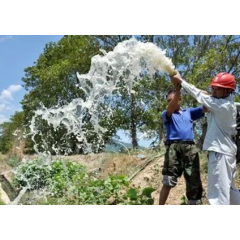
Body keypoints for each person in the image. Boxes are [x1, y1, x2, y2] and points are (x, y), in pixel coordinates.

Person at [171, 72, 240, 205]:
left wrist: (181, 81)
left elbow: (198, 95)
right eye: (213, 87)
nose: (213, 90)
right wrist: (208, 96)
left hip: (220, 154)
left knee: (218, 196)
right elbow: (206, 102)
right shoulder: (227, 105)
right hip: (227, 153)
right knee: (231, 192)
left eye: (217, 88)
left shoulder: (221, 106)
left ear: (227, 91)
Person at [159, 84, 206, 205]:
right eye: (168, 101)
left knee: (193, 181)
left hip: (190, 148)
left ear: (180, 100)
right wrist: (178, 90)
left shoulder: (188, 112)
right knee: (168, 179)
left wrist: (203, 93)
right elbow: (170, 108)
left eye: (173, 100)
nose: (171, 103)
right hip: (173, 148)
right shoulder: (167, 114)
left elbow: (206, 107)